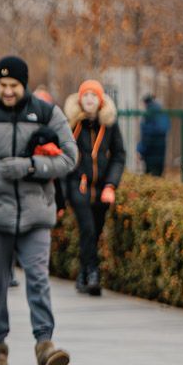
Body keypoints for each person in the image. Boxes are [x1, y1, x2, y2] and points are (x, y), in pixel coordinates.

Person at [0, 56, 79, 365]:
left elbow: (69, 157)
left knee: (38, 278)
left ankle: (45, 344)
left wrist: (31, 167)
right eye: (3, 85)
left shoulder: (48, 113)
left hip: (36, 212)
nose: (8, 91)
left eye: (14, 86)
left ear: (24, 85)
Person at [65, 80, 125, 296]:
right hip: (78, 185)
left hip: (101, 187)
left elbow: (119, 155)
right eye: (85, 95)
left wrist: (111, 184)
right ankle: (92, 273)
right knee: (88, 228)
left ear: (100, 100)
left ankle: (82, 273)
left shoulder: (109, 124)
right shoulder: (72, 124)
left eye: (93, 95)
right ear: (80, 99)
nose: (89, 99)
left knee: (95, 231)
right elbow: (64, 154)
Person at [138, 94, 169, 176]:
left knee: (149, 174)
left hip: (150, 151)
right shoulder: (162, 112)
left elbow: (145, 135)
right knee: (158, 174)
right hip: (161, 150)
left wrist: (140, 150)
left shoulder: (148, 115)